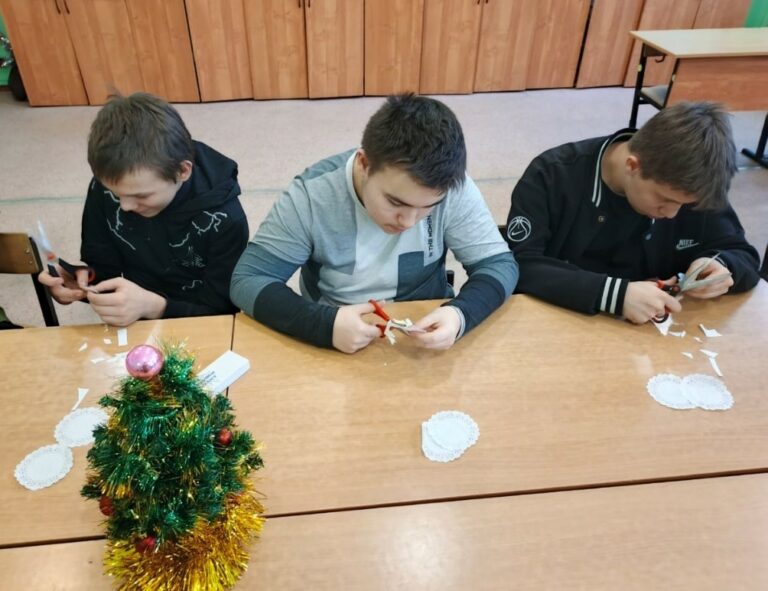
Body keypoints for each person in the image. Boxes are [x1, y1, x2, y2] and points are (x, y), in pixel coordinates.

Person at [231, 93, 518, 354]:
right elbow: (248, 279)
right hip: (338, 334)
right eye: (395, 202)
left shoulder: (452, 187)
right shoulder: (312, 195)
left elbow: (499, 265)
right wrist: (324, 325)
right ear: (363, 164)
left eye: (427, 207)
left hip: (423, 338)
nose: (409, 221)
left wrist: (460, 314)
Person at [504, 101, 760, 324]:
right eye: (664, 199)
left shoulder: (696, 184)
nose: (672, 214)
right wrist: (615, 294)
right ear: (632, 166)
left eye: (684, 204)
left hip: (654, 338)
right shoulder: (551, 175)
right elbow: (520, 264)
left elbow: (742, 254)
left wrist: (722, 266)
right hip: (565, 323)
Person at [38, 92, 248, 326]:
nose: (125, 207)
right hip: (136, 316)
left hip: (196, 321)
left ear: (182, 171)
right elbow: (102, 265)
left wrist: (153, 307)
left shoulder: (225, 219)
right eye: (117, 194)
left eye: (141, 196)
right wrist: (83, 280)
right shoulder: (107, 186)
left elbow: (223, 312)